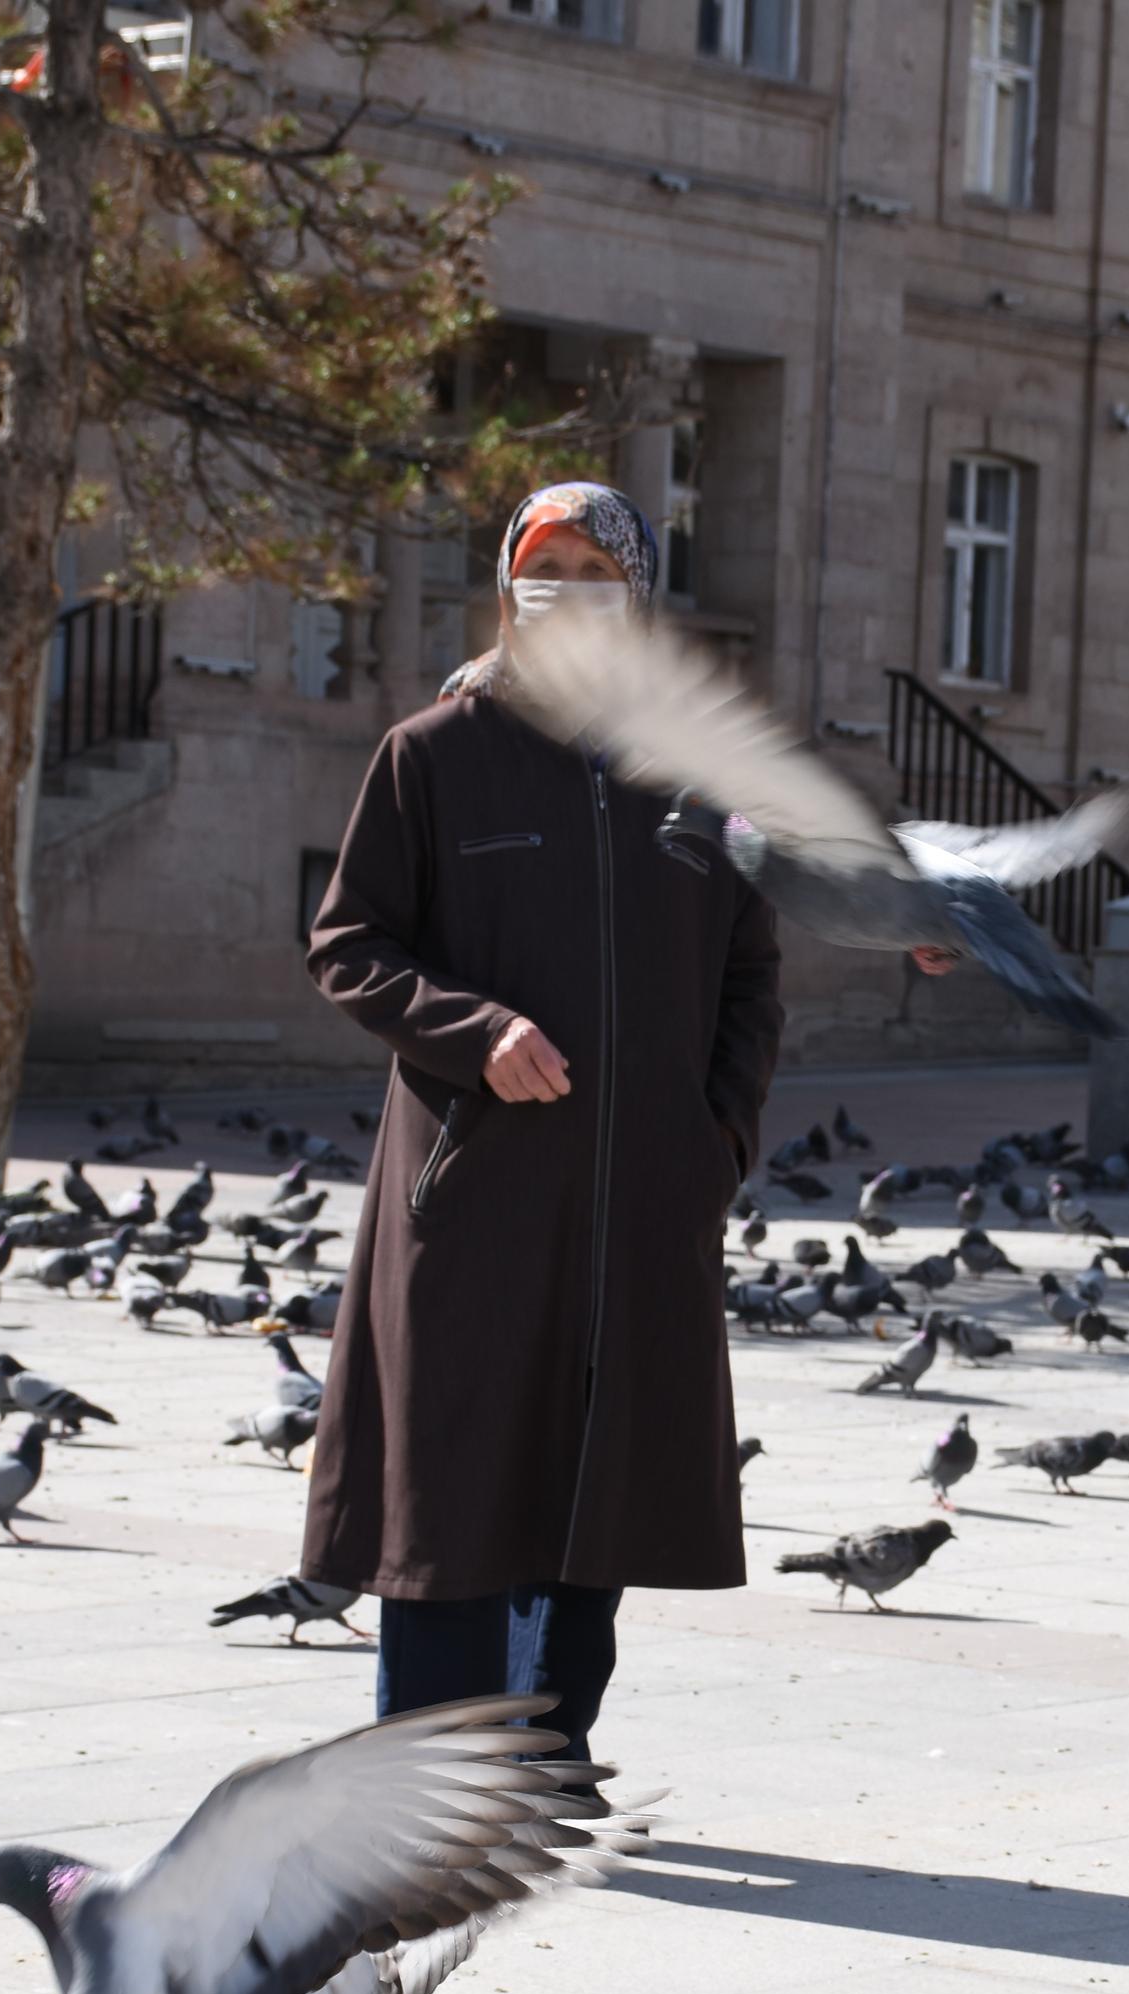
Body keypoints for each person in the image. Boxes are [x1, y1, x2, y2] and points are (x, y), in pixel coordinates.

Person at [297, 482, 784, 1771]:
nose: (564, 585)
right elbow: (350, 945)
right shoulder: (434, 753)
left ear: (637, 592)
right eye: (541, 563)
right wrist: (473, 1032)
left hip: (639, 1206)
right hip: (473, 1200)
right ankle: (425, 1779)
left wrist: (714, 1141)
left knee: (596, 1489)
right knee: (450, 1493)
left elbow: (751, 972)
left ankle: (544, 1757)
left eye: (592, 566)